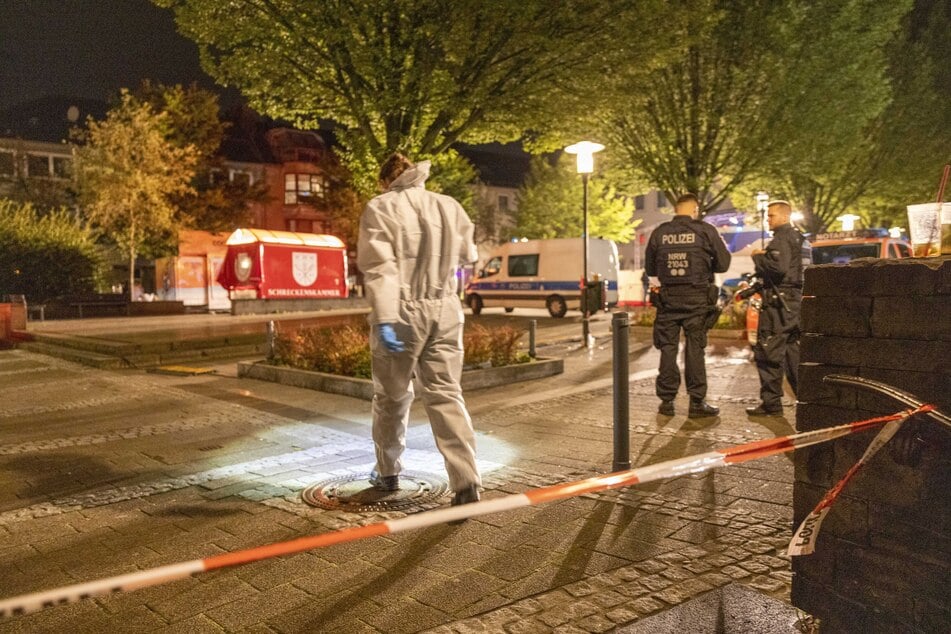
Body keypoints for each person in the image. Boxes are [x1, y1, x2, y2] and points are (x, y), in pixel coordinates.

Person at [357, 153, 481, 508]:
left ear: (386, 181)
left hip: (400, 312)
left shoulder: (380, 208)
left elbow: (380, 269)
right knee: (446, 394)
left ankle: (388, 471)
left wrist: (384, 317)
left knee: (391, 397)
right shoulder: (449, 206)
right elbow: (468, 255)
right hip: (445, 307)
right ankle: (466, 480)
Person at [645, 193, 731, 417]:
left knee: (667, 349)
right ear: (695, 210)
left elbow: (651, 269)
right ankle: (696, 403)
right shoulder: (705, 231)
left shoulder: (659, 232)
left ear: (676, 209)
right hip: (696, 300)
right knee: (695, 351)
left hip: (668, 300)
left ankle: (666, 402)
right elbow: (723, 264)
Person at [746, 200, 811, 416]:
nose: (768, 220)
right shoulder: (800, 239)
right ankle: (806, 399)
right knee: (793, 353)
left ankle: (771, 403)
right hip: (794, 302)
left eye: (772, 216)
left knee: (768, 351)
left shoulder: (782, 238)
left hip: (779, 303)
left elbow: (778, 269)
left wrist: (757, 257)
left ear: (784, 216)